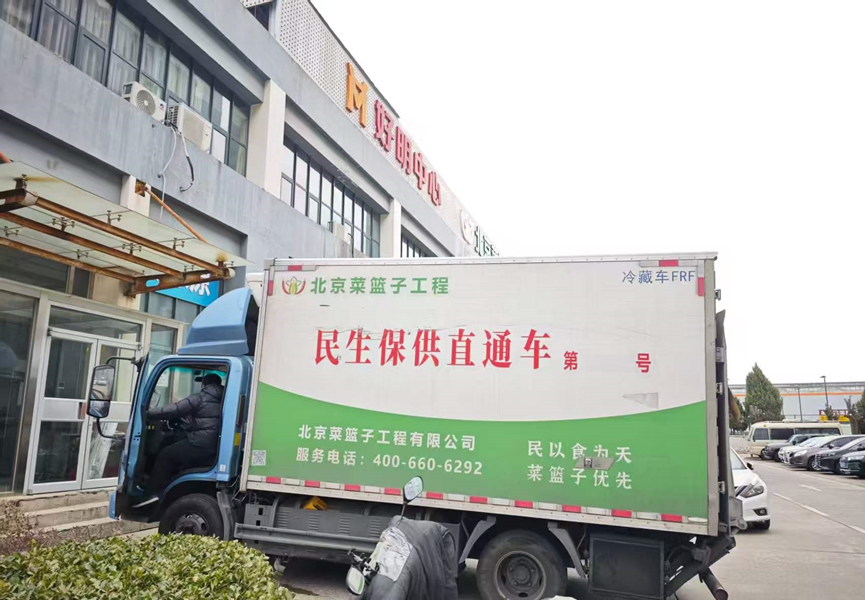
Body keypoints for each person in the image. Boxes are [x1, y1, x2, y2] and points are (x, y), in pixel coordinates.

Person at [133, 373, 224, 507]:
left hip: (199, 443)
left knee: (166, 455)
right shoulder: (224, 398)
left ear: (204, 384)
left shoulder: (200, 397)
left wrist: (147, 413)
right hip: (214, 444)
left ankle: (151, 494)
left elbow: (174, 409)